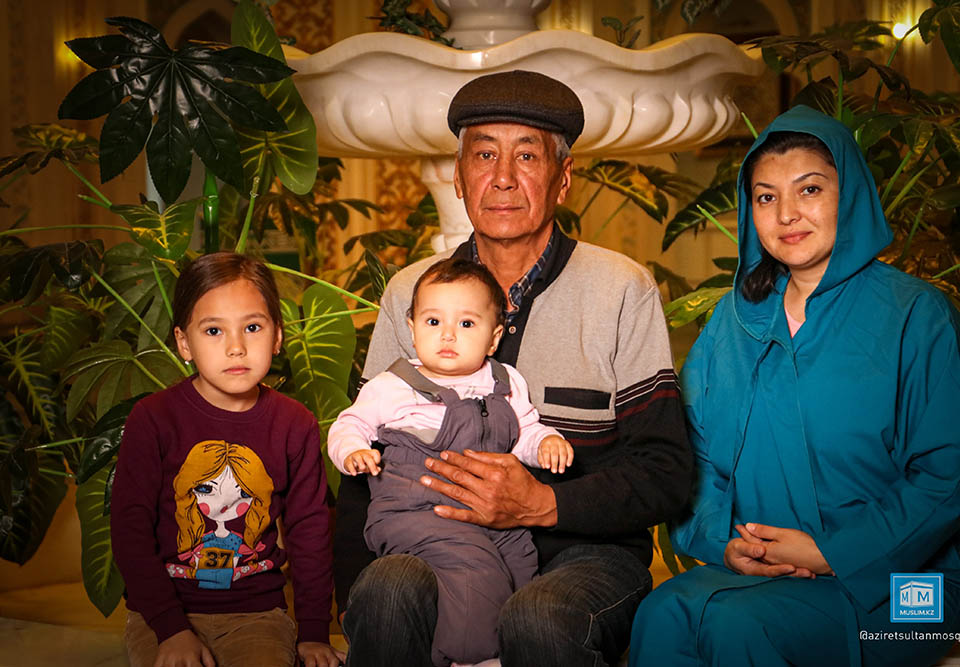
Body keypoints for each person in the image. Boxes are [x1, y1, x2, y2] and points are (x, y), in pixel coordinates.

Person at [333, 69, 693, 667]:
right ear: (458, 176)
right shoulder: (410, 294)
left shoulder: (621, 290)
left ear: (563, 179)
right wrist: (353, 600)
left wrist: (543, 504)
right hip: (433, 541)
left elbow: (665, 471)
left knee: (540, 618)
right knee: (387, 593)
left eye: (526, 155)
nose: (502, 177)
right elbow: (364, 457)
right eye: (484, 155)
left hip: (585, 552)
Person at [628, 106, 960, 667]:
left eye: (809, 189)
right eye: (766, 197)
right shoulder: (731, 322)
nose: (787, 214)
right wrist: (726, 543)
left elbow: (946, 477)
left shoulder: (919, 316)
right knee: (661, 615)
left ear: (851, 194)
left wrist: (830, 552)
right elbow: (692, 454)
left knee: (740, 627)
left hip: (910, 585)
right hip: (759, 572)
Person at [328, 257, 574, 666]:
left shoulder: (506, 381)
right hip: (417, 511)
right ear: (411, 329)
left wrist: (547, 442)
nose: (447, 335)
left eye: (466, 323)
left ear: (493, 338)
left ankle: (483, 643)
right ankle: (469, 656)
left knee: (521, 562)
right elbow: (350, 423)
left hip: (492, 514)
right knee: (473, 568)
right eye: (433, 321)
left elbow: (524, 432)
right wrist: (353, 451)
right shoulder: (394, 385)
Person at [111, 252, 341, 667]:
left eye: (252, 327)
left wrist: (312, 632)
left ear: (277, 337)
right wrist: (170, 628)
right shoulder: (153, 418)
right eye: (214, 330)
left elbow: (309, 531)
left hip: (258, 614)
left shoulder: (295, 423)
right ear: (184, 342)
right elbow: (130, 530)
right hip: (161, 616)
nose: (236, 347)